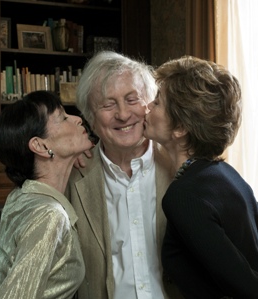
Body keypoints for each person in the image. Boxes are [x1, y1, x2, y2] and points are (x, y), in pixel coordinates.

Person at [143, 56, 258, 299]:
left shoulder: (182, 195)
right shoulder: (228, 175)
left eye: (157, 102)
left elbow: (245, 285)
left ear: (180, 128)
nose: (147, 107)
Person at [65, 51, 183, 299]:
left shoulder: (180, 167)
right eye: (108, 104)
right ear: (91, 118)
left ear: (149, 105)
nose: (122, 114)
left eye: (132, 100)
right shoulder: (72, 178)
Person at [0, 91, 93, 299]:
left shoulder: (21, 195)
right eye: (63, 118)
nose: (78, 119)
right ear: (41, 145)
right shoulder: (48, 214)